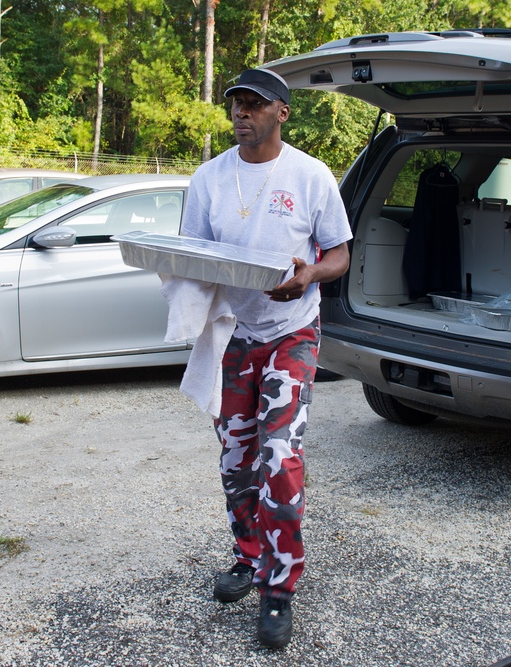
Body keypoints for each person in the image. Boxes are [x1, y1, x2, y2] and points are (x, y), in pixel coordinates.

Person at [179, 68, 352, 649]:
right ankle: (248, 558)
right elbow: (193, 253)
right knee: (236, 459)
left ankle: (279, 586)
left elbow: (339, 255)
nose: (241, 114)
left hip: (290, 333)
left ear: (282, 112)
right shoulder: (208, 178)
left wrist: (308, 276)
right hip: (231, 335)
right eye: (235, 105)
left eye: (254, 105)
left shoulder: (310, 175)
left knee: (278, 457)